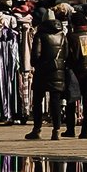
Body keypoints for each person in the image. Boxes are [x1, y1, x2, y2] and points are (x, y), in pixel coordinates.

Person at [27, 7, 70, 141]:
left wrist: (36, 64)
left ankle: (37, 129)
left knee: (38, 101)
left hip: (42, 72)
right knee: (55, 101)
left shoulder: (40, 34)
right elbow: (67, 54)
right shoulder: (62, 35)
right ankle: (56, 130)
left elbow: (35, 56)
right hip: (58, 72)